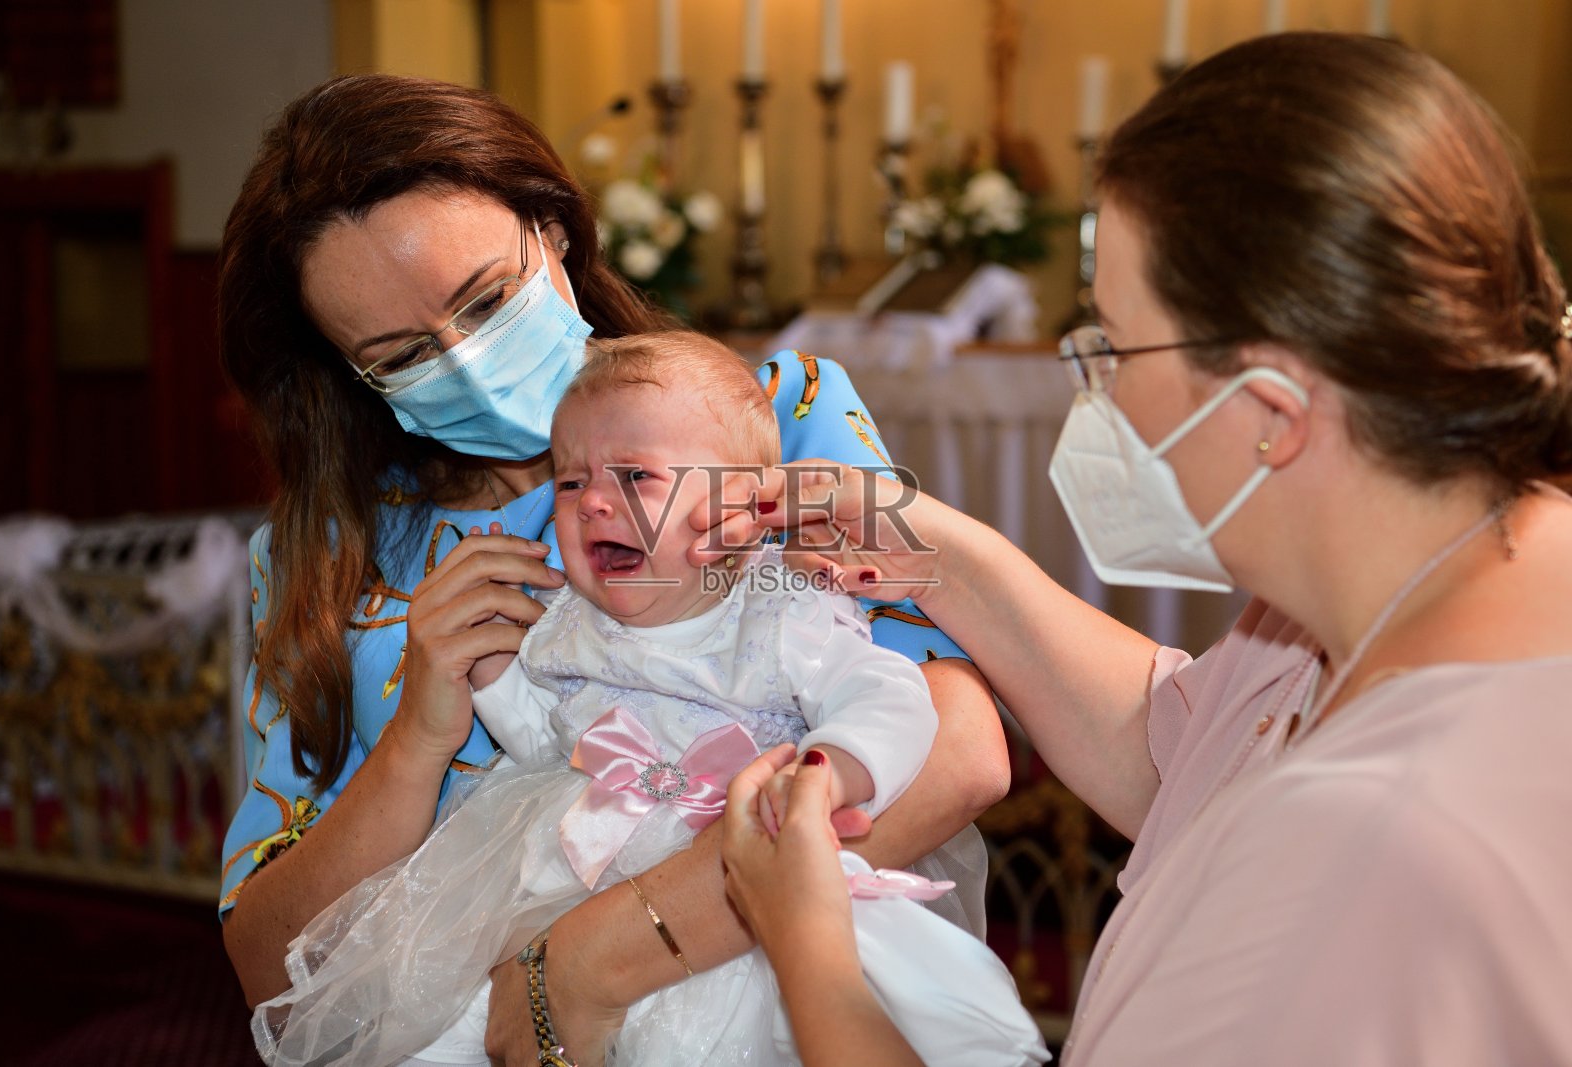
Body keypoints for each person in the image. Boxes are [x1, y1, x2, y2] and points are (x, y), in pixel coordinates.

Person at [718, 32, 1572, 1066]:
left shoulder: (1365, 845)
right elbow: (1192, 748)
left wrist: (804, 937)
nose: (1101, 388)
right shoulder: (1416, 580)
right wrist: (935, 556)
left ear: (1270, 408)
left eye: (1115, 345)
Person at [215, 73, 1010, 1064]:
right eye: (404, 352)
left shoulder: (760, 422)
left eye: (486, 298)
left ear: (551, 230)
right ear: (348, 372)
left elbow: (957, 750)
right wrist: (419, 736)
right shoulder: (321, 558)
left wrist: (596, 959)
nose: (464, 360)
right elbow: (269, 975)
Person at [250, 333, 1044, 1067]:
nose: (593, 501)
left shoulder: (781, 605)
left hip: (735, 858)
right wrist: (492, 678)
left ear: (739, 510)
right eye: (572, 481)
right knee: (443, 1016)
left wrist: (829, 771)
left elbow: (891, 697)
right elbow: (546, 742)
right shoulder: (567, 624)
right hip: (570, 862)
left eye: (634, 476)